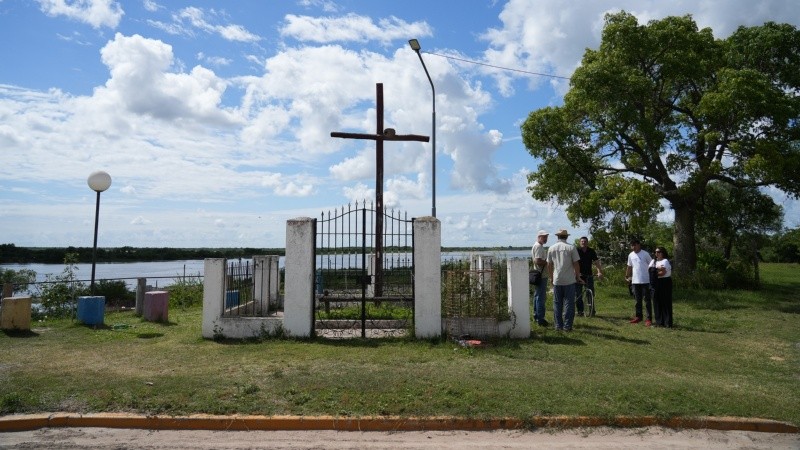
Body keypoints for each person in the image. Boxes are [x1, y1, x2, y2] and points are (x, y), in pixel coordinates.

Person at [547, 229, 582, 331]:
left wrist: (551, 278)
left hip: (557, 280)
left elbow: (549, 265)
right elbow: (576, 264)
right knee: (569, 303)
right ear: (566, 237)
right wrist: (578, 276)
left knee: (557, 303)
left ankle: (558, 326)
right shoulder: (571, 247)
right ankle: (567, 326)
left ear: (557, 236)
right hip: (569, 280)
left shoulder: (551, 248)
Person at [625, 239, 653, 326]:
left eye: (635, 245)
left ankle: (649, 319)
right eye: (632, 245)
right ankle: (638, 316)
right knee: (637, 300)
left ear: (639, 245)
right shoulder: (631, 255)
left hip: (645, 280)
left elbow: (652, 265)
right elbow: (629, 266)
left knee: (647, 300)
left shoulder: (645, 254)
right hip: (635, 281)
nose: (633, 247)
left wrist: (652, 276)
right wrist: (627, 276)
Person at [575, 236, 603, 316]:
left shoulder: (591, 251)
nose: (583, 243)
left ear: (587, 242)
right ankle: (580, 311)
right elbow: (573, 263)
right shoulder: (576, 250)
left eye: (585, 241)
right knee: (578, 294)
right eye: (582, 241)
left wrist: (599, 272)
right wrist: (576, 273)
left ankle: (592, 311)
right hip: (579, 275)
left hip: (589, 275)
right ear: (580, 242)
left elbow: (596, 262)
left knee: (590, 293)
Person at [649, 247, 673, 327]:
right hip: (655, 282)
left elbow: (663, 272)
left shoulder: (665, 261)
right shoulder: (653, 261)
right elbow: (649, 269)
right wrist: (657, 269)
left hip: (664, 282)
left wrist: (655, 271)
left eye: (659, 252)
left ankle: (667, 322)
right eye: (655, 252)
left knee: (665, 301)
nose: (657, 253)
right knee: (656, 301)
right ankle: (659, 322)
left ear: (663, 253)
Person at [530, 230, 549, 327]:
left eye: (546, 237)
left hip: (539, 274)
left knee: (537, 296)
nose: (546, 239)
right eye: (544, 237)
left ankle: (536, 316)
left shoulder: (537, 246)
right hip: (541, 275)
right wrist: (548, 262)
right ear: (539, 237)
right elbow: (537, 261)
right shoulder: (538, 246)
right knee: (540, 297)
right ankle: (540, 319)